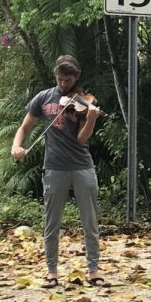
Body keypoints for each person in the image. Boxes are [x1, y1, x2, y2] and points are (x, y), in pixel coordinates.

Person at [11, 55, 103, 288]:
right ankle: (52, 272)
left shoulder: (84, 102)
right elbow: (24, 127)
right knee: (52, 223)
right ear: (56, 77)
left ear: (76, 77)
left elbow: (82, 139)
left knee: (90, 222)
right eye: (60, 80)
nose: (63, 84)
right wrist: (16, 146)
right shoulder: (43, 98)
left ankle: (93, 271)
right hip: (53, 167)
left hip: (82, 166)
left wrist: (91, 118)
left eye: (68, 80)